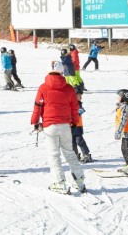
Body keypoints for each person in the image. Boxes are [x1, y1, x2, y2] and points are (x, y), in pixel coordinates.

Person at [30, 60, 86, 194]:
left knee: (54, 155)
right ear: (62, 71)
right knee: (70, 153)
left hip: (50, 126)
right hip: (65, 125)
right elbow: (74, 107)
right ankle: (79, 181)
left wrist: (35, 122)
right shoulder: (68, 88)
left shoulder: (43, 87)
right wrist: (74, 121)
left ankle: (60, 182)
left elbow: (38, 106)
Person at [71, 86, 93, 163]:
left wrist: (76, 114)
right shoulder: (68, 103)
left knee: (79, 141)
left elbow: (81, 110)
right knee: (72, 143)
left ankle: (86, 154)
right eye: (79, 96)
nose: (81, 98)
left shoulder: (78, 104)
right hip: (70, 126)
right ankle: (75, 155)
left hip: (77, 126)